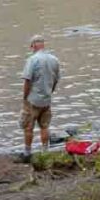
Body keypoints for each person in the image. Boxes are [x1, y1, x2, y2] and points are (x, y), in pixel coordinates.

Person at [16, 34, 60, 163]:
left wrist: (25, 97)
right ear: (43, 44)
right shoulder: (54, 60)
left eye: (31, 46)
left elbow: (27, 81)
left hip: (32, 100)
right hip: (46, 99)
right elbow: (56, 80)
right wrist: (49, 92)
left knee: (28, 127)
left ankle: (27, 153)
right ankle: (45, 152)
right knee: (44, 126)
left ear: (34, 45)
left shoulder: (32, 60)